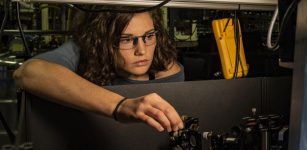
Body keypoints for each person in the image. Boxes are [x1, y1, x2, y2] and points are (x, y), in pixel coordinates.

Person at [13, 6, 184, 132]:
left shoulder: (168, 70)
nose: (141, 50)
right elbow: (27, 73)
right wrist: (120, 106)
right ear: (102, 40)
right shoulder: (81, 52)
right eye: (125, 39)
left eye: (148, 36)